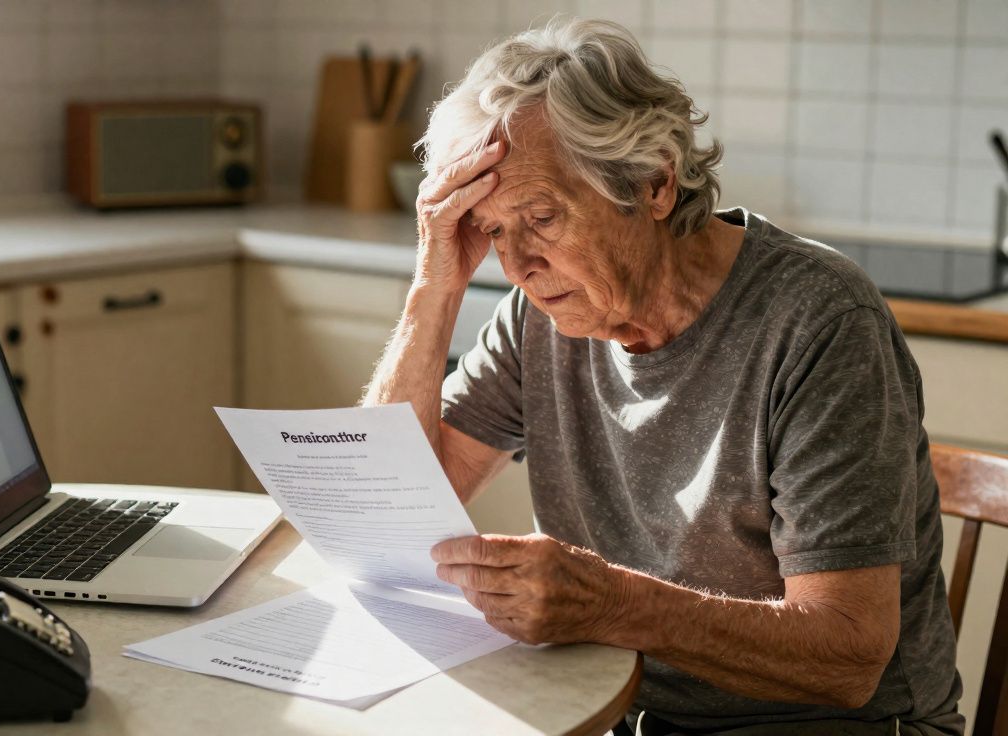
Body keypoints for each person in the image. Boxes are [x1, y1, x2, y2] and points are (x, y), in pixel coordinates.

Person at [361, 19, 963, 735]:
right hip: (623, 712)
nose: (516, 266)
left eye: (542, 217)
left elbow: (848, 655)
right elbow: (378, 518)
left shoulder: (819, 321)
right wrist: (434, 286)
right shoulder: (542, 315)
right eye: (492, 229)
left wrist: (611, 603)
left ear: (652, 183)